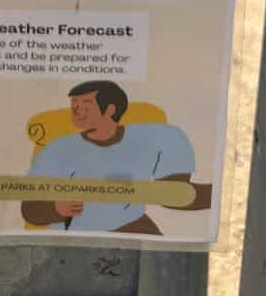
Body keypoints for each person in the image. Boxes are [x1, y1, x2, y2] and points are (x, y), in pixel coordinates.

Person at [21, 80, 202, 235]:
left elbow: (177, 194)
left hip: (129, 227)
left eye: (85, 105)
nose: (76, 110)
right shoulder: (57, 149)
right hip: (78, 236)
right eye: (74, 105)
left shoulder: (152, 137)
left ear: (110, 109)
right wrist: (55, 209)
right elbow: (30, 209)